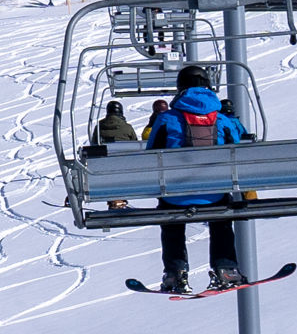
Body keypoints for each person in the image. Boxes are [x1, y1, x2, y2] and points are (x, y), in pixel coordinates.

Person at [149, 65, 250, 293]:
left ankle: (175, 273)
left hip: (175, 194)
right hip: (214, 193)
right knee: (221, 217)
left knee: (171, 219)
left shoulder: (167, 119)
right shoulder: (222, 120)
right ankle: (225, 268)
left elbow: (151, 153)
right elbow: (237, 151)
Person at [94, 101, 141, 210]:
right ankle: (119, 198)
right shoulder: (127, 127)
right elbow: (135, 146)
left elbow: (94, 144)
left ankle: (114, 199)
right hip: (124, 167)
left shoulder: (99, 127)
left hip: (104, 167)